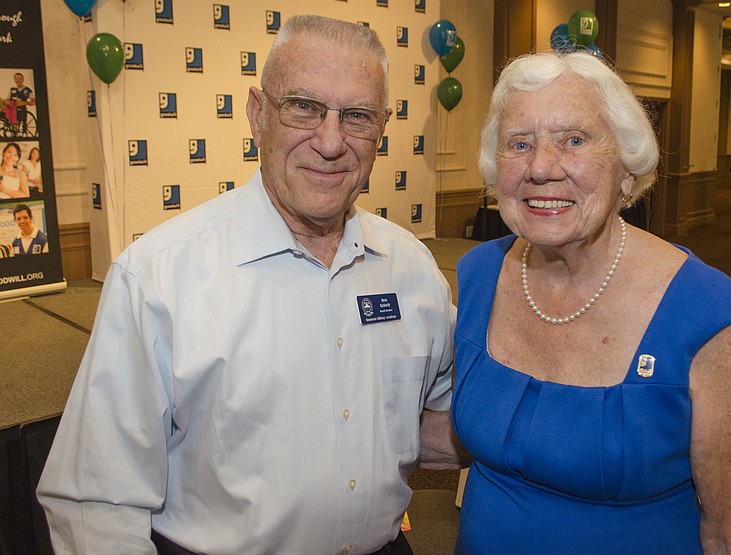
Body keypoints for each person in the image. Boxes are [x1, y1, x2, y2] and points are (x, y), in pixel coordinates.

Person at [37, 15, 461, 555]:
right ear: (258, 115)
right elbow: (96, 504)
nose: (331, 142)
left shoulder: (413, 269)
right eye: (304, 107)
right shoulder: (158, 278)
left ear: (381, 130)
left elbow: (450, 419)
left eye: (356, 116)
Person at [451, 50, 731, 553]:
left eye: (574, 140)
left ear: (626, 168)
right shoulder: (477, 276)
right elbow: (451, 434)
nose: (540, 167)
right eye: (519, 143)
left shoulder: (705, 314)